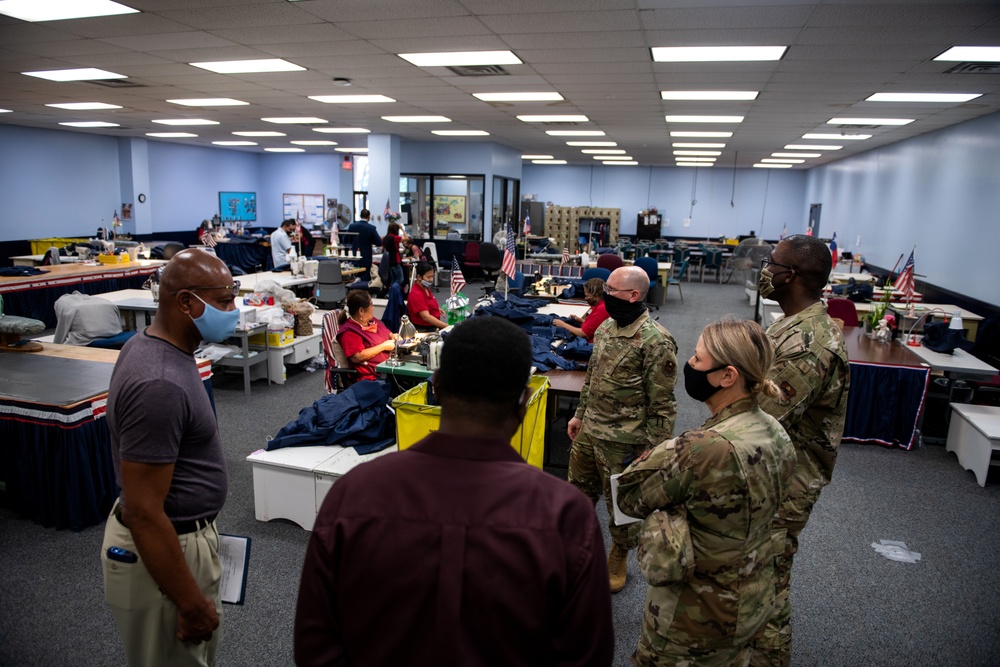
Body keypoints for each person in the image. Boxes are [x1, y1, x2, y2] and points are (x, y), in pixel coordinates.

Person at [294, 317, 614, 666]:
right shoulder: (567, 515)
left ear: (436, 386)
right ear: (523, 402)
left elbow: (315, 646)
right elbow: (588, 655)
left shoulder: (353, 494)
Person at [616, 318, 796, 667]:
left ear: (727, 376)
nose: (690, 366)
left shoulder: (701, 448)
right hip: (752, 596)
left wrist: (662, 456)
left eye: (697, 360)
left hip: (693, 615)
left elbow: (628, 496)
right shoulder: (774, 429)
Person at [101, 249, 237, 667]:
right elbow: (143, 511)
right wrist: (191, 603)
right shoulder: (159, 383)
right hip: (166, 547)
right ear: (186, 303)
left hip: (181, 536)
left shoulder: (156, 348)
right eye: (224, 300)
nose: (234, 310)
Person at [749, 235, 850, 667]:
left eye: (772, 263)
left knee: (765, 584)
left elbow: (758, 418)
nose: (765, 269)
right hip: (769, 470)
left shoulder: (808, 343)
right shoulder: (790, 324)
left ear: (790, 276)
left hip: (784, 482)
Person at [567, 265, 678, 593]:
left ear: (633, 295)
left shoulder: (656, 341)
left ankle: (618, 555)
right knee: (576, 493)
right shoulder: (604, 329)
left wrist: (655, 446)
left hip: (625, 440)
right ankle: (575, 547)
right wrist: (578, 415)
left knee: (622, 506)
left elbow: (663, 403)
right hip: (590, 431)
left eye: (610, 292)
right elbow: (592, 379)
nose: (605, 297)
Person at [336, 289, 399, 381]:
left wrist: (394, 336)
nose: (373, 308)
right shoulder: (349, 331)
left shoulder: (372, 321)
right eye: (371, 305)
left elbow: (388, 333)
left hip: (389, 367)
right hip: (373, 377)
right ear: (361, 310)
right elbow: (357, 357)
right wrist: (383, 346)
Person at [553, 277, 610, 342]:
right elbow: (597, 326)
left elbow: (583, 334)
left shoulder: (601, 309)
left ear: (596, 296)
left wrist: (563, 325)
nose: (585, 298)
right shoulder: (604, 304)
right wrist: (582, 321)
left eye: (587, 296)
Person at [406, 261, 447, 331]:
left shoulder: (425, 287)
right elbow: (426, 317)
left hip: (432, 326)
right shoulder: (416, 293)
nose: (431, 280)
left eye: (432, 276)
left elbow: (426, 304)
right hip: (424, 329)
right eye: (428, 277)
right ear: (419, 277)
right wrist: (447, 326)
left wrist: (437, 309)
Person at [346, 209, 382, 275]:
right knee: (364, 280)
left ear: (360, 216)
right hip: (366, 258)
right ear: (368, 217)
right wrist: (370, 240)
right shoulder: (371, 228)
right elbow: (379, 242)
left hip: (354, 257)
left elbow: (345, 240)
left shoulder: (352, 226)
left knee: (353, 277)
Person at [381, 221, 405, 288]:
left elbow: (383, 248)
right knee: (400, 278)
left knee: (393, 278)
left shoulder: (384, 238)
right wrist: (402, 228)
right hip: (395, 259)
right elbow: (407, 238)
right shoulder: (395, 237)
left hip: (389, 260)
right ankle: (393, 290)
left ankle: (390, 292)